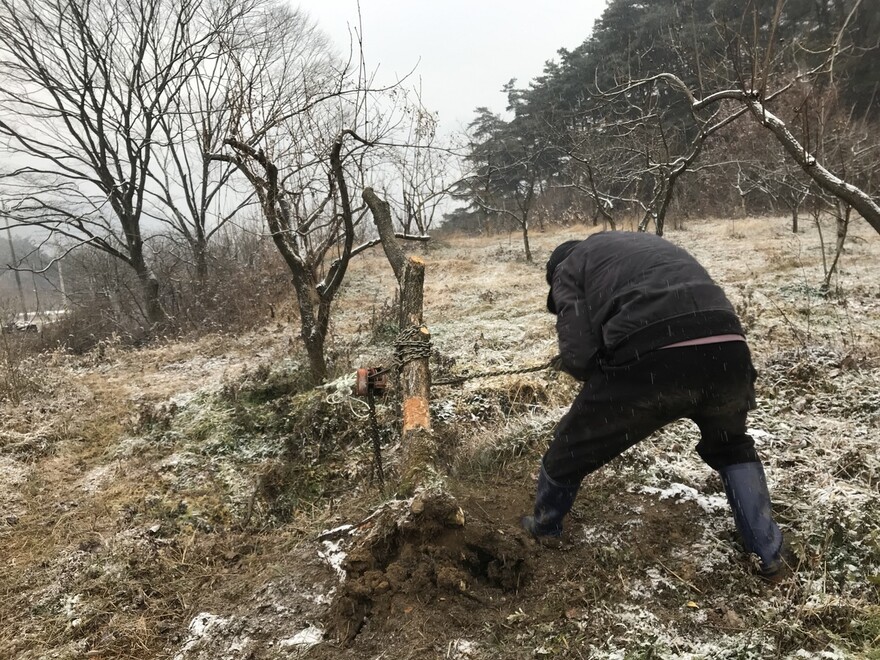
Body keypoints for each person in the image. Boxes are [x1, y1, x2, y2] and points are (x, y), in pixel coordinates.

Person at [522, 231, 785, 579]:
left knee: (570, 447)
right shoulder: (639, 245)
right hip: (728, 348)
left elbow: (580, 356)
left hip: (654, 354)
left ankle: (544, 525)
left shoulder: (568, 266)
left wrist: (582, 365)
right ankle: (766, 553)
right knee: (732, 446)